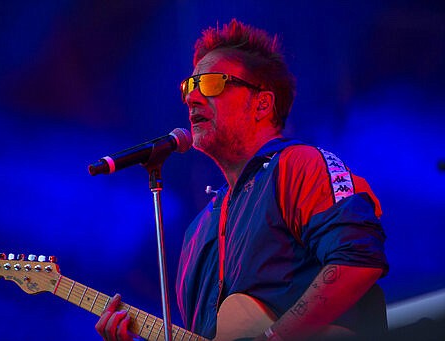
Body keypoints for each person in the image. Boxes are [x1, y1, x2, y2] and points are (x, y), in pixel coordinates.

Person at [95, 19, 388, 341]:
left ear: (262, 103)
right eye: (188, 87)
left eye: (210, 84)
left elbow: (358, 260)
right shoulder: (197, 231)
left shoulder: (300, 164)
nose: (192, 99)